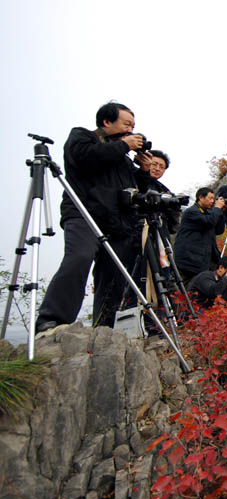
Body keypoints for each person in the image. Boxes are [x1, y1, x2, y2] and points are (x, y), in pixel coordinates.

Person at [36, 102, 147, 333]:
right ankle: (52, 320)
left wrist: (143, 170)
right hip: (83, 213)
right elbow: (85, 158)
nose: (131, 130)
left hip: (116, 223)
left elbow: (136, 190)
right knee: (79, 257)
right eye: (127, 124)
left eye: (134, 126)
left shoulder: (122, 157)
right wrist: (124, 145)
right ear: (107, 122)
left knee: (113, 275)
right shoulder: (82, 137)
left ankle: (103, 327)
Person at [173, 187, 226, 284]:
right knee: (192, 287)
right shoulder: (191, 212)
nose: (212, 201)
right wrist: (217, 209)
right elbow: (209, 222)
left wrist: (220, 212)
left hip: (205, 258)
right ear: (201, 197)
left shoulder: (209, 213)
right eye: (210, 198)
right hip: (190, 259)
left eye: (213, 199)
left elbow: (219, 230)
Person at [136, 149, 180, 234]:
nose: (157, 169)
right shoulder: (134, 179)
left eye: (161, 167)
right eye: (154, 164)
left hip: (159, 231)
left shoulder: (165, 191)